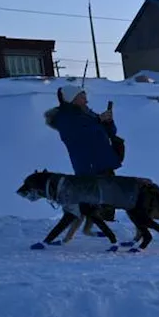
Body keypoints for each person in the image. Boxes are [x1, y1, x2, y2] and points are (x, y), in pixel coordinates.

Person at [43, 84, 125, 224]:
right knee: (99, 200)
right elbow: (83, 135)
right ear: (72, 99)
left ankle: (106, 227)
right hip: (90, 166)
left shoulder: (86, 114)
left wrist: (108, 122)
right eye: (82, 97)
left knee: (108, 199)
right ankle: (101, 230)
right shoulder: (66, 118)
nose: (86, 100)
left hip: (103, 162)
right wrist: (99, 120)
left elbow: (109, 132)